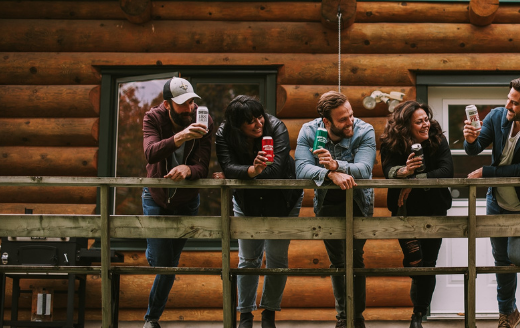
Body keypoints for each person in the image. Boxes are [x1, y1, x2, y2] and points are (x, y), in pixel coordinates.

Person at [463, 77, 520, 328]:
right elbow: (474, 149)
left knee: (518, 255)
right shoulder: (497, 117)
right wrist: (470, 140)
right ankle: (508, 313)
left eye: (515, 103)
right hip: (497, 200)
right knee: (501, 259)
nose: (508, 106)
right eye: (508, 99)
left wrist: (486, 173)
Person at [214, 95, 303, 328]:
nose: (258, 124)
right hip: (247, 202)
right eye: (250, 121)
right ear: (237, 125)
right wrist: (250, 170)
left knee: (276, 259)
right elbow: (227, 166)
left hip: (283, 201)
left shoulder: (277, 127)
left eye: (259, 117)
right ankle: (245, 316)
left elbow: (274, 172)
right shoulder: (224, 133)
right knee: (248, 260)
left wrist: (241, 173)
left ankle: (269, 315)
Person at [295, 91, 376, 328]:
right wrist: (330, 174)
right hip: (328, 202)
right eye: (343, 119)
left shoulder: (365, 130)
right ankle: (343, 317)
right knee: (338, 261)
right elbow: (301, 168)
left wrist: (337, 164)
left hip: (359, 202)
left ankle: (357, 318)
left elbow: (363, 168)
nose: (350, 121)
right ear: (327, 122)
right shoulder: (309, 131)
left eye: (351, 114)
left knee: (356, 259)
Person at [141, 77, 213, 328]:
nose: (189, 108)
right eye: (183, 104)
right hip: (156, 197)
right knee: (163, 263)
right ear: (167, 104)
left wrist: (188, 170)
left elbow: (202, 166)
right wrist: (180, 137)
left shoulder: (203, 121)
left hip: (186, 201)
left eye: (192, 101)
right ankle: (152, 319)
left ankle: (151, 319)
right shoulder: (153, 118)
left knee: (168, 265)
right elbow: (150, 153)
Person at [379, 101, 453, 328]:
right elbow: (388, 171)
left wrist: (413, 182)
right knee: (416, 261)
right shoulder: (390, 142)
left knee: (428, 263)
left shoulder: (437, 137)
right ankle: (418, 310)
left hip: (434, 210)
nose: (425, 124)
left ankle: (417, 316)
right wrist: (405, 172)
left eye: (426, 119)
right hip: (405, 212)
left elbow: (447, 171)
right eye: (419, 122)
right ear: (405, 126)